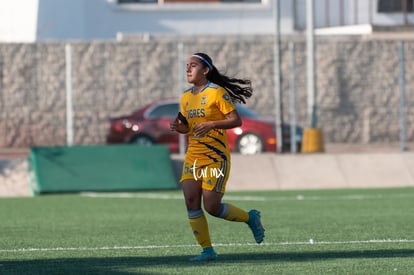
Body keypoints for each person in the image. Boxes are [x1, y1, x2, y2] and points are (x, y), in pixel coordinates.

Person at [170, 52, 265, 262]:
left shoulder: (217, 93)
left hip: (216, 157)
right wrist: (180, 127)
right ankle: (207, 251)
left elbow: (236, 120)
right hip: (193, 156)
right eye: (187, 65)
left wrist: (212, 124)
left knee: (211, 207)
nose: (188, 69)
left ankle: (251, 218)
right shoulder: (186, 97)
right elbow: (188, 127)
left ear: (205, 70)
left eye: (193, 65)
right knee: (190, 201)